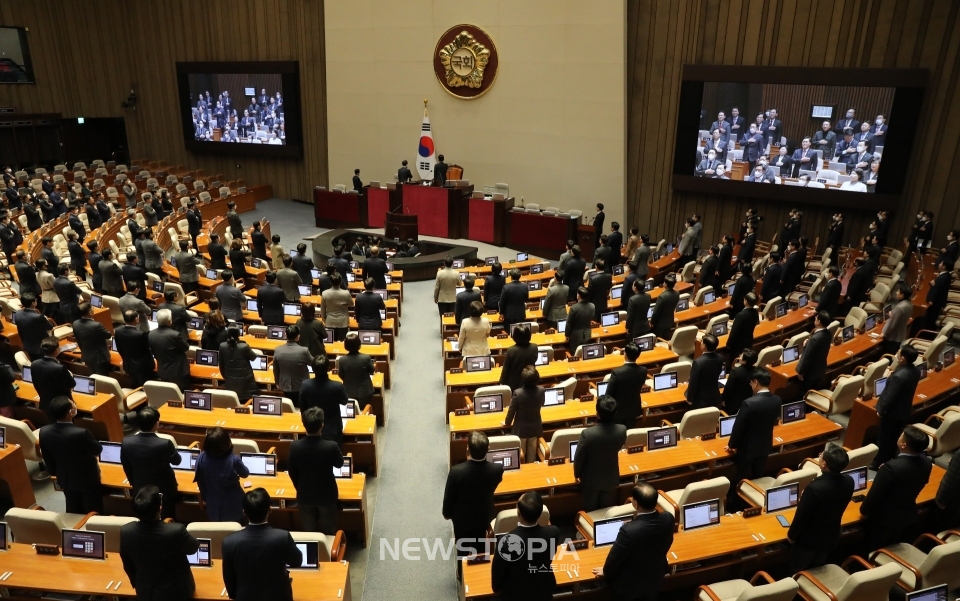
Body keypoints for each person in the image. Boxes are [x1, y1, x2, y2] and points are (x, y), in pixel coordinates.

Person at [592, 482, 674, 601]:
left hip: (629, 586)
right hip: (655, 577)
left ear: (635, 503)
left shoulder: (628, 531)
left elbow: (615, 557)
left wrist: (606, 571)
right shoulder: (668, 518)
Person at [119, 485, 199, 601]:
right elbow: (193, 548)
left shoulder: (126, 531)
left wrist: (138, 585)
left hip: (146, 592)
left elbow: (128, 564)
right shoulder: (175, 531)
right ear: (160, 508)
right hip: (177, 593)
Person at [222, 488, 302, 601]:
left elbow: (229, 579)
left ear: (244, 512)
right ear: (269, 510)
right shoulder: (282, 537)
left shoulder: (229, 542)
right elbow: (297, 561)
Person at [860, 426, 932, 548]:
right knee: (892, 544)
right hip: (905, 514)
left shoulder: (890, 468)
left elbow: (875, 494)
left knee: (873, 548)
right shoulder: (927, 463)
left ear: (903, 445)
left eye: (901, 436)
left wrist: (864, 510)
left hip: (882, 518)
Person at [443, 431, 504, 573]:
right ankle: (479, 572)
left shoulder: (456, 472)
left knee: (462, 548)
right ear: (488, 450)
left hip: (461, 519)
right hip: (483, 516)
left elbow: (449, 497)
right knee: (480, 546)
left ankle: (461, 574)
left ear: (467, 449)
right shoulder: (496, 469)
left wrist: (447, 513)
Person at [787, 445, 855, 571]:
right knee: (818, 567)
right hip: (831, 535)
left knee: (799, 571)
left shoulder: (814, 489)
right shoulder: (849, 481)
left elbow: (802, 516)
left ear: (824, 464)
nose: (819, 455)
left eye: (821, 455)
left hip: (808, 541)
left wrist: (791, 535)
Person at [725, 368, 780, 508]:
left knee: (741, 477)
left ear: (756, 382)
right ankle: (756, 501)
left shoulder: (749, 403)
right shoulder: (776, 400)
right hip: (765, 444)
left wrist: (732, 445)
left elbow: (739, 427)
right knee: (758, 474)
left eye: (751, 383)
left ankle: (736, 504)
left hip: (747, 447)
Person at [491, 491, 559, 601]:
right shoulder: (553, 533)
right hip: (543, 592)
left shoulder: (505, 543)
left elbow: (496, 585)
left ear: (518, 512)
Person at [39, 396, 103, 513]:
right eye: (73, 404)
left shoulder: (44, 431)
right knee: (93, 508)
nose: (75, 405)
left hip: (65, 477)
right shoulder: (81, 433)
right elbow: (98, 449)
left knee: (73, 507)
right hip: (87, 477)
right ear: (70, 412)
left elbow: (48, 458)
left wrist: (56, 473)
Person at [288, 407, 343, 533]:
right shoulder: (330, 446)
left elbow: (292, 472)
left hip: (304, 495)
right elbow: (339, 464)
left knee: (309, 532)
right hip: (326, 495)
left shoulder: (294, 446)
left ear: (304, 425)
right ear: (322, 426)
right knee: (329, 530)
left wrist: (300, 487)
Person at [121, 406, 181, 518]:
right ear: (156, 424)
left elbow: (126, 466)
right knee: (167, 517)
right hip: (164, 489)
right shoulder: (164, 444)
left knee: (144, 518)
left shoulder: (126, 441)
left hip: (139, 487)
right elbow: (177, 461)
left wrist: (134, 483)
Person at [574, 395, 627, 511]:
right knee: (605, 510)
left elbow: (579, 458)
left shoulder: (587, 434)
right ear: (615, 413)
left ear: (597, 413)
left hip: (591, 479)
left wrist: (577, 474)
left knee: (590, 511)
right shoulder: (622, 430)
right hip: (610, 476)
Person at [873, 345, 921, 467]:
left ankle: (878, 463)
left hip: (891, 414)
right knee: (894, 438)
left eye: (898, 354)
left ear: (902, 358)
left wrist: (881, 411)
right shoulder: (916, 371)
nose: (896, 355)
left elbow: (889, 397)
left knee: (884, 440)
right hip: (904, 411)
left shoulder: (898, 377)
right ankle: (889, 459)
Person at [194, 427, 250, 522]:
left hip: (213, 507)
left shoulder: (200, 458)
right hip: (234, 508)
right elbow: (245, 473)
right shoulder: (233, 460)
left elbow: (201, 483)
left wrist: (206, 498)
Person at [298, 355, 349, 447]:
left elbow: (302, 407)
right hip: (333, 428)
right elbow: (344, 401)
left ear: (312, 369)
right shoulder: (337, 386)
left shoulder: (305, 385)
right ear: (328, 368)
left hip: (312, 426)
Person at [504, 366, 545, 463]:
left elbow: (511, 411)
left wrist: (507, 422)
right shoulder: (541, 390)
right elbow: (542, 403)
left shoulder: (518, 393)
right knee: (532, 457)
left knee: (520, 457)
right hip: (535, 428)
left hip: (520, 430)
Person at [31, 337, 75, 416]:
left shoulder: (34, 363)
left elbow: (35, 383)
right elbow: (71, 384)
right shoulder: (60, 368)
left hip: (45, 402)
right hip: (62, 405)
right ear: (57, 351)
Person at [149, 309, 190, 391]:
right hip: (178, 372)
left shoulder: (151, 334)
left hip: (162, 370)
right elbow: (186, 347)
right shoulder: (175, 335)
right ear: (169, 321)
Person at [607, 342, 647, 428]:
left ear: (625, 354)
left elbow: (609, 395)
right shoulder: (643, 370)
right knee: (629, 434)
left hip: (618, 411)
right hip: (634, 408)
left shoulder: (617, 372)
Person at [273, 325, 313, 407]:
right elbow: (313, 363)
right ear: (298, 337)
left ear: (285, 335)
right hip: (301, 385)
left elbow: (275, 369)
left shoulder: (277, 350)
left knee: (289, 406)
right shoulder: (304, 351)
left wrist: (277, 382)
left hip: (284, 384)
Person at [115, 310, 155, 387]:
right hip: (143, 366)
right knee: (145, 387)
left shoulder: (118, 331)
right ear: (136, 319)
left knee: (134, 385)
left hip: (128, 364)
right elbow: (147, 350)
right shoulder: (140, 334)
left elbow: (119, 348)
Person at [796, 311, 832, 396]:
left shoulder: (815, 339)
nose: (815, 319)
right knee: (813, 391)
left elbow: (807, 357)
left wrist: (800, 372)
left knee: (804, 394)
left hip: (809, 373)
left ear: (819, 321)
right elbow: (819, 348)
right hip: (820, 369)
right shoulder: (828, 334)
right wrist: (808, 344)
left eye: (816, 318)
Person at [219, 326, 258, 403]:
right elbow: (253, 357)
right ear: (238, 334)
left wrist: (227, 377)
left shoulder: (222, 346)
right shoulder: (244, 346)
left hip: (230, 384)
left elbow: (221, 366)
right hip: (246, 385)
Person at [338, 332, 376, 409]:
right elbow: (372, 370)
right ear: (359, 344)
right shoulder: (366, 358)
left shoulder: (342, 360)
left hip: (349, 392)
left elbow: (341, 375)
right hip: (365, 391)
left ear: (346, 346)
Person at [72, 301, 112, 375]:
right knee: (102, 378)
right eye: (92, 308)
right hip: (100, 357)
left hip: (86, 355)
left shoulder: (75, 323)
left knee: (93, 376)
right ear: (90, 312)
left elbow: (78, 340)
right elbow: (108, 335)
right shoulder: (96, 325)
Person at [687, 333, 723, 408]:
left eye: (702, 342)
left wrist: (689, 398)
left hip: (700, 399)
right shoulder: (720, 358)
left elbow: (694, 382)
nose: (701, 343)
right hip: (714, 395)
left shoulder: (698, 362)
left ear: (704, 346)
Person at [13, 293, 52, 360]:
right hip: (41, 347)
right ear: (33, 303)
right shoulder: (38, 317)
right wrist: (43, 317)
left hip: (27, 345)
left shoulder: (17, 313)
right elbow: (50, 326)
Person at [721, 349, 757, 414]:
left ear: (744, 361)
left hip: (733, 403)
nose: (739, 357)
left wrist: (724, 399)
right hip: (749, 400)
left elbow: (729, 387)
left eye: (741, 356)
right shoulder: (756, 371)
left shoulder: (735, 371)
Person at [881, 284, 913, 354]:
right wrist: (893, 314)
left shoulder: (899, 308)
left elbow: (892, 324)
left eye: (898, 291)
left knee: (887, 354)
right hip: (900, 335)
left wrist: (884, 333)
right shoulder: (909, 304)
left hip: (893, 337)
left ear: (902, 295)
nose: (896, 292)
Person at [321, 273, 353, 341]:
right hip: (343, 322)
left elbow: (322, 310)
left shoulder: (324, 293)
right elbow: (352, 304)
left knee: (331, 343)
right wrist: (344, 305)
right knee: (343, 343)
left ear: (330, 282)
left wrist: (325, 320)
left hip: (330, 321)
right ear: (341, 282)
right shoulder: (346, 293)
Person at [565, 287, 595, 355]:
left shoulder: (574, 308)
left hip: (575, 336)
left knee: (575, 355)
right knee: (585, 354)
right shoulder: (592, 306)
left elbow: (569, 323)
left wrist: (566, 335)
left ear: (578, 296)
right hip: (587, 334)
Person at [650, 275, 679, 339]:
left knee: (658, 341)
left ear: (665, 284)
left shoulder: (662, 297)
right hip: (669, 321)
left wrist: (652, 322)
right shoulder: (677, 294)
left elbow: (656, 312)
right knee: (666, 338)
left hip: (660, 324)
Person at [926, 261, 953, 329]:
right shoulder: (945, 275)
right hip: (938, 301)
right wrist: (931, 283)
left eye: (941, 263)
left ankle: (928, 333)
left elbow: (937, 289)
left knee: (931, 318)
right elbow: (935, 284)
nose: (939, 264)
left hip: (936, 302)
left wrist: (931, 300)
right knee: (930, 316)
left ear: (944, 266)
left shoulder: (943, 278)